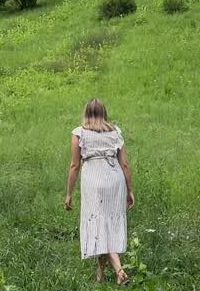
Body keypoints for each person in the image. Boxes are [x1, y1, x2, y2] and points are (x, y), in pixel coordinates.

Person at [65, 99, 135, 284]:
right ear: (104, 113)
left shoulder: (79, 133)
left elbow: (74, 165)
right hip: (115, 179)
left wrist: (69, 194)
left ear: (86, 113)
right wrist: (130, 190)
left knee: (99, 225)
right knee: (109, 223)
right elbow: (125, 164)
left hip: (94, 182)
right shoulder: (115, 132)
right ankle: (101, 273)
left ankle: (119, 271)